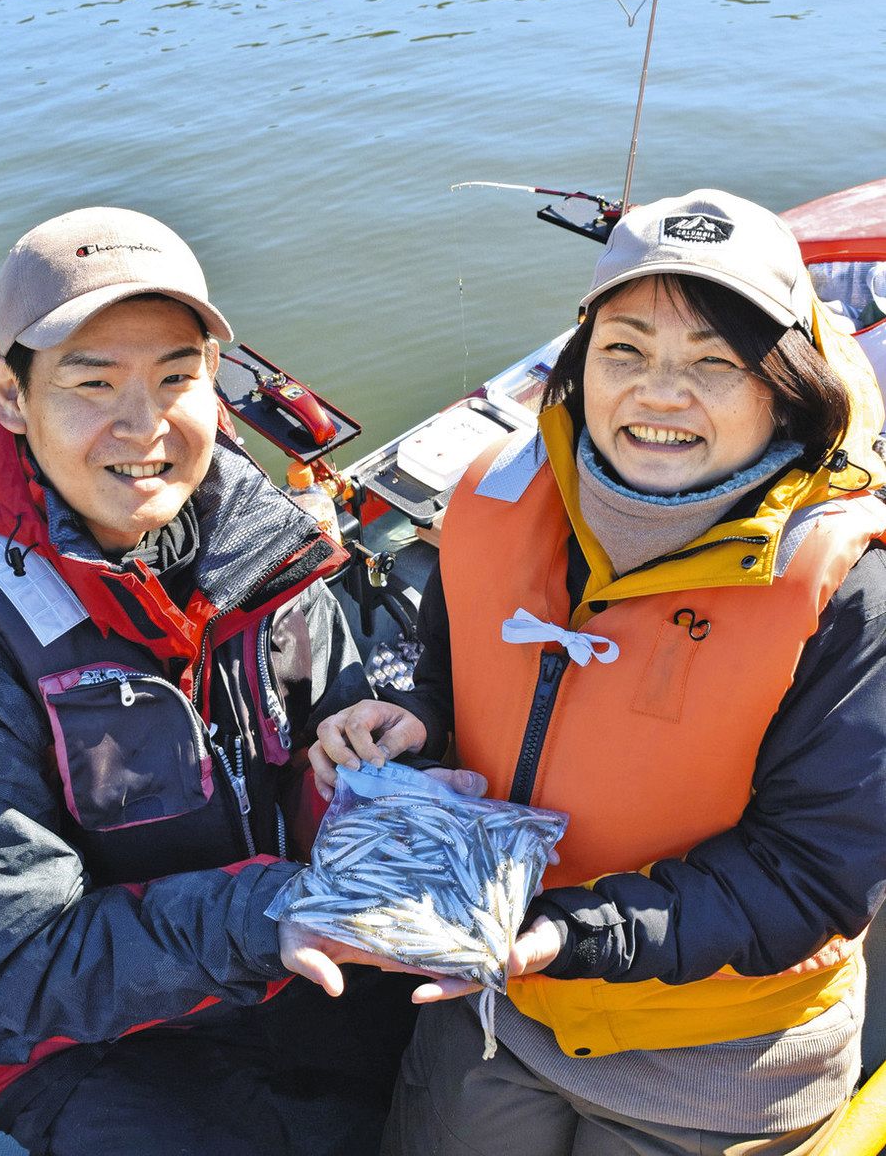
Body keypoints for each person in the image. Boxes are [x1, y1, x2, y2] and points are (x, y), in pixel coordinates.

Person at [310, 189, 886, 1154]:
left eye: (715, 362)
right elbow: (449, 671)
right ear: (579, 364)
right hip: (495, 1007)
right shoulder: (497, 494)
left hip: (722, 1057)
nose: (660, 394)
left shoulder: (849, 594)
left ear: (786, 384)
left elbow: (809, 876)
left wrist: (568, 935)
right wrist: (408, 716)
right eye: (625, 351)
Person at [0, 205, 450, 1156]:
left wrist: (377, 746)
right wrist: (267, 915)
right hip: (87, 1040)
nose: (143, 426)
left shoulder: (260, 544)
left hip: (287, 947)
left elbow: (327, 726)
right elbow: (11, 966)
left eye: (176, 377)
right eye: (92, 382)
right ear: (9, 393)